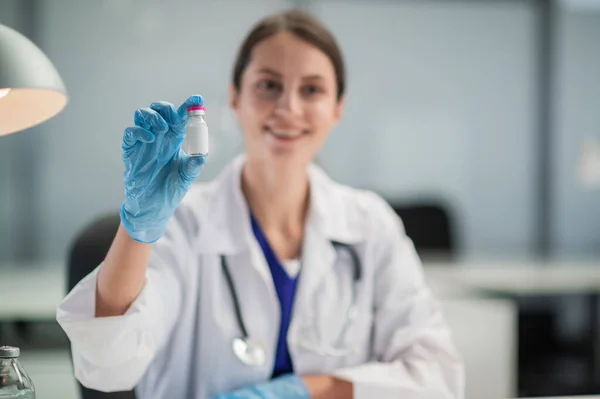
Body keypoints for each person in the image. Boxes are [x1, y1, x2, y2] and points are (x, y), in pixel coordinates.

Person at [57, 9, 464, 399]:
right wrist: (138, 229)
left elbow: (439, 377)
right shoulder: (182, 223)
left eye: (312, 89)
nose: (288, 108)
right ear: (235, 98)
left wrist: (306, 391)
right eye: (268, 85)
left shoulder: (370, 225)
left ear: (338, 107)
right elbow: (107, 366)